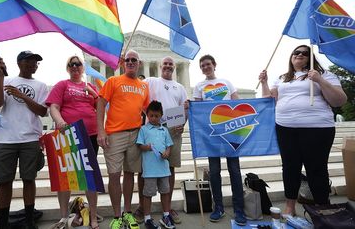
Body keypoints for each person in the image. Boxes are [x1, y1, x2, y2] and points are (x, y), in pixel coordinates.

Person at [259, 45, 347, 216]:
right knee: (290, 168)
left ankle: (323, 207)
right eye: (296, 52)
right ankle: (290, 206)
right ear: (291, 57)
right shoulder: (283, 78)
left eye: (304, 53)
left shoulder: (325, 75)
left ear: (311, 58)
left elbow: (339, 101)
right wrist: (264, 83)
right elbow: (268, 99)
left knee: (316, 169)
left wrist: (320, 81)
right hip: (286, 128)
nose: (299, 55)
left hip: (317, 128)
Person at [0, 51, 49, 229]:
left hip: (30, 138)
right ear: (19, 63)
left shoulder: (41, 85)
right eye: (29, 61)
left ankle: (30, 220)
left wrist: (22, 95)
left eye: (36, 62)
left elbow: (42, 111)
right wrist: (1, 76)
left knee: (29, 179)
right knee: (4, 181)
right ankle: (3, 222)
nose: (33, 64)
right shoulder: (7, 81)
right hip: (5, 139)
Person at [45, 55, 100, 229]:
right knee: (65, 177)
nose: (75, 66)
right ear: (68, 68)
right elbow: (53, 106)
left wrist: (95, 94)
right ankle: (63, 217)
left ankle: (92, 216)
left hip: (90, 134)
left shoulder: (90, 87)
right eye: (72, 64)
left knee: (89, 177)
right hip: (68, 133)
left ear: (83, 68)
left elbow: (101, 108)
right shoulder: (62, 85)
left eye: (78, 64)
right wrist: (60, 122)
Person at [97, 49, 149, 229]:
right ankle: (117, 215)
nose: (131, 62)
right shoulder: (113, 81)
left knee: (129, 174)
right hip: (114, 134)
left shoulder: (144, 86)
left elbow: (149, 110)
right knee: (113, 175)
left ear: (139, 63)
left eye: (134, 60)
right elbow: (101, 103)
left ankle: (127, 212)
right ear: (123, 63)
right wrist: (101, 131)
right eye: (128, 60)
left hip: (135, 133)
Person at [192, 54, 247, 226]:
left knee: (235, 171)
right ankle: (219, 208)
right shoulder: (199, 86)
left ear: (214, 65)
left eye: (208, 64)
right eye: (202, 66)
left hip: (231, 132)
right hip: (212, 135)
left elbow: (237, 104)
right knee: (214, 172)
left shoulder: (226, 82)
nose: (206, 67)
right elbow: (198, 110)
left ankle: (239, 210)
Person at [134, 56, 187, 224]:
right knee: (144, 169)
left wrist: (182, 123)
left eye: (171, 64)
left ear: (174, 66)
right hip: (151, 127)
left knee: (169, 168)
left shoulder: (180, 87)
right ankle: (143, 207)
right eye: (166, 63)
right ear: (160, 65)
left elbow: (185, 108)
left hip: (172, 128)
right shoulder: (151, 81)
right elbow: (135, 89)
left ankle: (167, 208)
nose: (168, 66)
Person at [136, 100, 176, 229]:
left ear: (161, 116)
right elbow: (139, 145)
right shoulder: (143, 129)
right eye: (151, 115)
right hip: (149, 170)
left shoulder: (164, 130)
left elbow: (169, 146)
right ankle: (148, 218)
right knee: (148, 194)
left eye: (157, 116)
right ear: (147, 115)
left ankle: (166, 216)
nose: (154, 118)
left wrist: (167, 152)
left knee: (165, 192)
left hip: (163, 169)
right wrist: (145, 147)